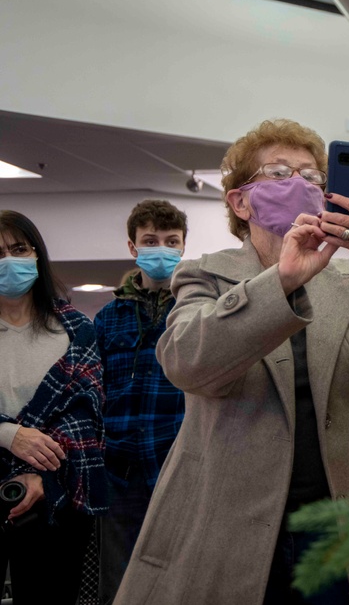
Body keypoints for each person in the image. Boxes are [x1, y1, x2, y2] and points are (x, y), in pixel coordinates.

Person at [114, 119, 349, 605]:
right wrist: (279, 283)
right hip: (227, 531)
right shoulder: (206, 274)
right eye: (280, 172)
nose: (301, 185)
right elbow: (187, 363)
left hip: (341, 528)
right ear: (241, 201)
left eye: (312, 177)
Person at [0, 210, 107, 604]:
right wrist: (9, 435)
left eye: (18, 249)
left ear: (37, 255)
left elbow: (86, 414)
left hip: (56, 492)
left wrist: (37, 476)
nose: (9, 260)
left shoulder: (76, 328)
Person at [94, 199, 188, 604]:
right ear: (133, 247)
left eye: (171, 241)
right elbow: (93, 394)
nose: (161, 248)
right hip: (118, 472)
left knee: (180, 581)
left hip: (178, 467)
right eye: (150, 240)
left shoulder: (196, 309)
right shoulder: (106, 318)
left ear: (184, 247)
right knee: (118, 586)